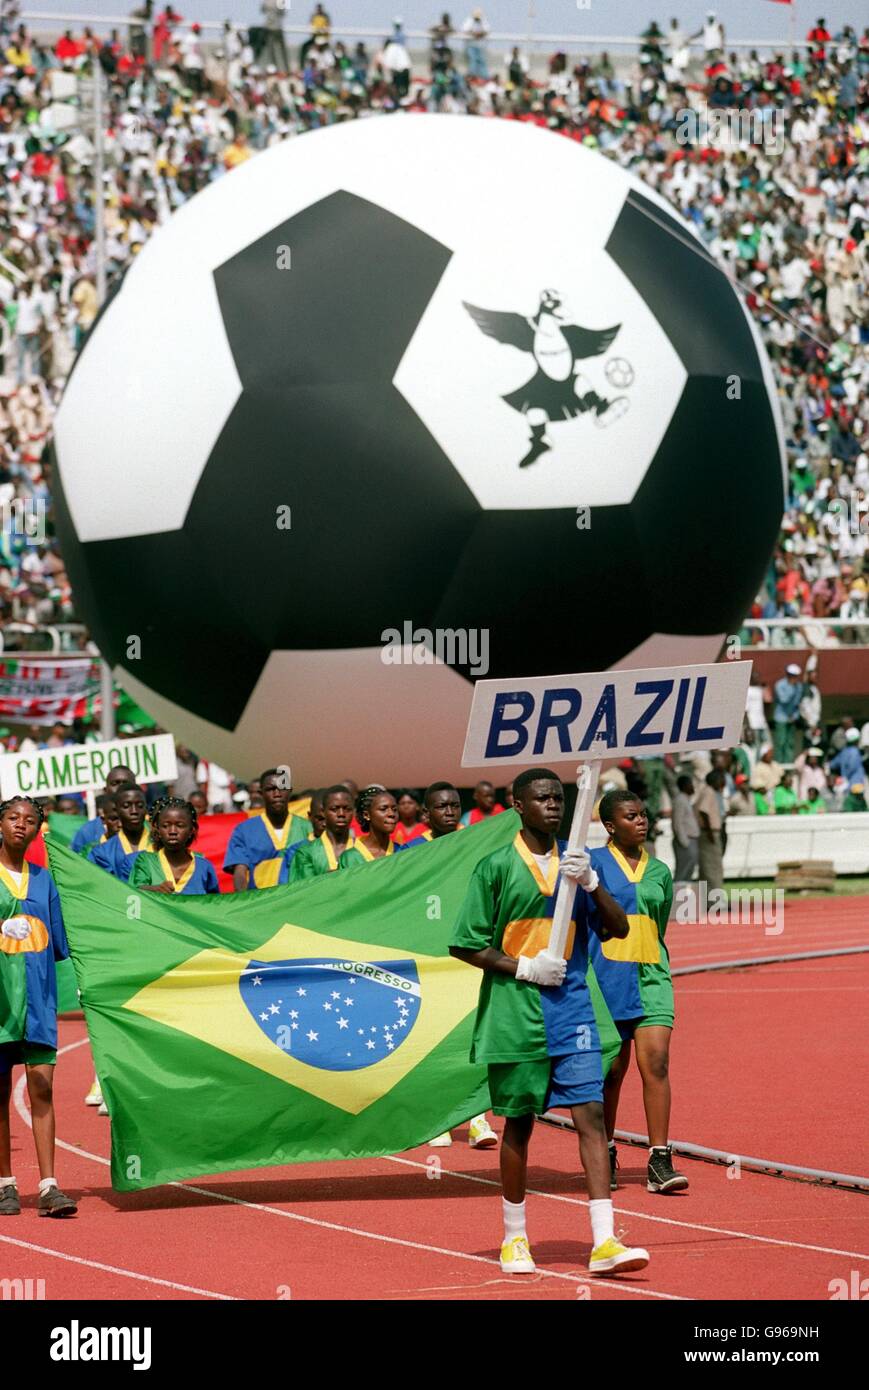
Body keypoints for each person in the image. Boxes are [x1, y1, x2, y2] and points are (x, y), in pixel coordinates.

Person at [450, 767, 649, 1277]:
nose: (553, 806)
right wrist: (525, 966)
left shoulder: (577, 862)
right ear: (518, 804)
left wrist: (594, 883)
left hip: (573, 1007)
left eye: (558, 798)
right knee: (519, 1124)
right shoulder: (495, 867)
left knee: (592, 1117)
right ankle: (515, 1237)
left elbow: (618, 927)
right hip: (515, 1010)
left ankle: (605, 1240)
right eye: (541, 799)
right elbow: (466, 943)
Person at [588, 789, 686, 1196]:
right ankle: (605, 1150)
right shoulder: (591, 864)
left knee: (657, 1064)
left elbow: (657, 923)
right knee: (611, 1072)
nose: (642, 821)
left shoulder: (660, 870)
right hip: (608, 974)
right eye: (631, 816)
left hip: (651, 975)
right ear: (610, 826)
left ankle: (659, 1160)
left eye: (643, 815)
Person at [404, 783, 497, 1150]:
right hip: (427, 958)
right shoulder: (410, 850)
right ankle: (436, 1118)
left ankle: (477, 1120)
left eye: (454, 806)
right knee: (432, 1039)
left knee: (470, 1035)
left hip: (469, 953)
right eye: (440, 807)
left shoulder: (475, 843)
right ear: (426, 813)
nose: (449, 812)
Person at [0, 795, 77, 1216]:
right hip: (0, 1003)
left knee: (42, 1087)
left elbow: (60, 945)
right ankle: (5, 1183)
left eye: (29, 820)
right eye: (13, 817)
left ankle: (49, 1186)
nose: (20, 825)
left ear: (37, 829)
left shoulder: (45, 881)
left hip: (39, 1001)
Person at [224, 768, 312, 890]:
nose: (277, 794)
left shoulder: (308, 828)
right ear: (261, 794)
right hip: (259, 902)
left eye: (282, 788)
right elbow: (240, 872)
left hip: (297, 901)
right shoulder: (243, 831)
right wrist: (243, 901)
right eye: (271, 789)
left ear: (290, 790)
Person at [122, 796, 219, 894]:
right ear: (158, 830)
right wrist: (155, 889)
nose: (172, 831)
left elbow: (214, 903)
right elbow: (132, 893)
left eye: (180, 825)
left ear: (191, 830)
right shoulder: (145, 861)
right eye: (165, 826)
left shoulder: (204, 866)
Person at [286, 785, 355, 880]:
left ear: (354, 812)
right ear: (324, 812)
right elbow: (300, 890)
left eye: (347, 809)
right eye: (334, 809)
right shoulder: (306, 853)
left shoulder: (363, 849)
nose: (341, 814)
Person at [70, 763, 137, 854]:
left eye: (126, 783)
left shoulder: (150, 825)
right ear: (105, 790)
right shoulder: (88, 831)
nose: (121, 787)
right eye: (115, 783)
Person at [88, 783, 151, 879]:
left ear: (146, 808)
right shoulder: (102, 853)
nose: (134, 811)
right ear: (117, 810)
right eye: (126, 806)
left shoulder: (161, 844)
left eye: (140, 805)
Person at [338, 788, 399, 867]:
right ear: (367, 815)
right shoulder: (349, 858)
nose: (391, 814)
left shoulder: (402, 852)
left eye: (394, 809)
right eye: (383, 809)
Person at [694, 770, 726, 891]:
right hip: (709, 832)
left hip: (707, 831)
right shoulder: (709, 792)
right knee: (713, 867)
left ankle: (708, 900)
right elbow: (704, 811)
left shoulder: (707, 791)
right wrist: (709, 832)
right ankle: (715, 900)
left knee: (707, 868)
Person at [772, 662, 805, 763]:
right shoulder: (779, 685)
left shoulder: (799, 687)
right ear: (788, 675)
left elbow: (798, 703)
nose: (794, 678)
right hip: (781, 718)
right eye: (792, 675)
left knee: (790, 743)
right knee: (780, 742)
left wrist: (794, 716)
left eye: (796, 676)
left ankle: (788, 765)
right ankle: (778, 764)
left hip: (792, 718)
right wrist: (791, 687)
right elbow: (783, 700)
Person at [670, 775, 698, 884]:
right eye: (691, 784)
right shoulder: (680, 800)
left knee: (688, 872)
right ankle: (676, 897)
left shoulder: (686, 799)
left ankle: (684, 897)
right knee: (682, 872)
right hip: (686, 841)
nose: (693, 787)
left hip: (691, 840)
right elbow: (677, 823)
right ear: (685, 786)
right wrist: (685, 842)